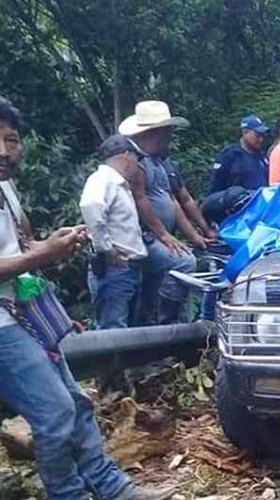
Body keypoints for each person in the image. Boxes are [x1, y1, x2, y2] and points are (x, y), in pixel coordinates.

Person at [0, 97, 173, 500]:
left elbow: (20, 246)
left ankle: (111, 486)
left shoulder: (6, 187)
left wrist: (54, 244)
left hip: (23, 314)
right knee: (55, 412)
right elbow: (27, 255)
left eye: (11, 140)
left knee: (75, 402)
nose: (4, 152)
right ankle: (69, 494)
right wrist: (41, 254)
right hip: (3, 329)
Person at [119, 100, 199, 325]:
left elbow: (173, 200)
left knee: (149, 289)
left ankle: (151, 334)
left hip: (158, 234)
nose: (169, 136)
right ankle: (169, 320)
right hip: (145, 236)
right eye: (166, 131)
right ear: (153, 133)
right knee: (184, 263)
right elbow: (140, 200)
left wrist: (194, 234)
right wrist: (162, 234)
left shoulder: (159, 162)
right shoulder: (135, 161)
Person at [80, 135, 148, 329]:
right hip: (114, 268)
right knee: (113, 328)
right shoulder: (103, 179)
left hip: (126, 267)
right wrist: (106, 248)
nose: (139, 165)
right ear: (126, 156)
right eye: (137, 159)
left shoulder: (118, 184)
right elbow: (91, 206)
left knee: (123, 328)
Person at [209, 115, 270, 194]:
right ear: (245, 132)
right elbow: (216, 187)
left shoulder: (262, 156)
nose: (261, 139)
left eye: (262, 135)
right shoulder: (229, 156)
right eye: (257, 135)